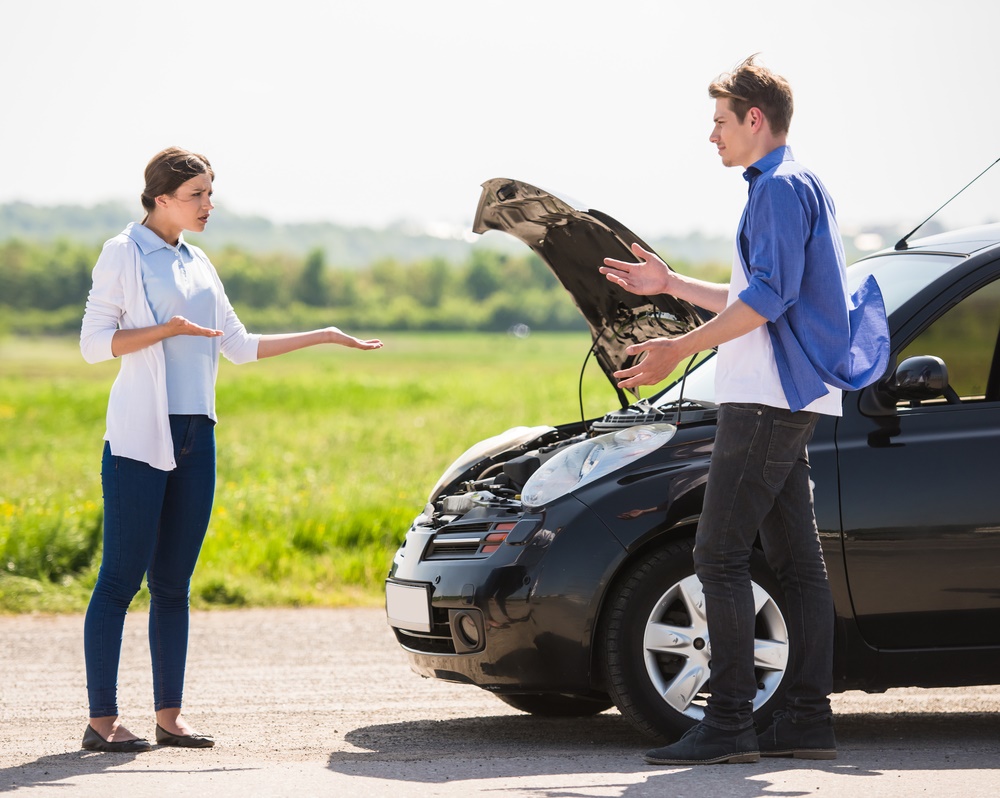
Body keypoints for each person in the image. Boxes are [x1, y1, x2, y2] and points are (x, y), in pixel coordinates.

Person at [600, 56, 889, 766]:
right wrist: (670, 284)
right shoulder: (788, 186)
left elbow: (767, 302)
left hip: (766, 400)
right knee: (795, 561)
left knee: (718, 552)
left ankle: (730, 722)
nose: (712, 136)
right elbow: (757, 297)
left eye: (720, 121)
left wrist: (677, 349)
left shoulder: (779, 190)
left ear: (754, 119)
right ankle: (806, 719)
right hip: (781, 396)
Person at [79, 147, 383, 753]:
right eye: (196, 195)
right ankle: (102, 722)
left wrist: (322, 335)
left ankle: (170, 716)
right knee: (120, 578)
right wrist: (166, 330)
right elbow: (93, 345)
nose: (207, 205)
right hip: (142, 435)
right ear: (161, 197)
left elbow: (238, 346)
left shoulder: (198, 261)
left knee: (173, 583)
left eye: (209, 193)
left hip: (197, 435)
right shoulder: (124, 253)